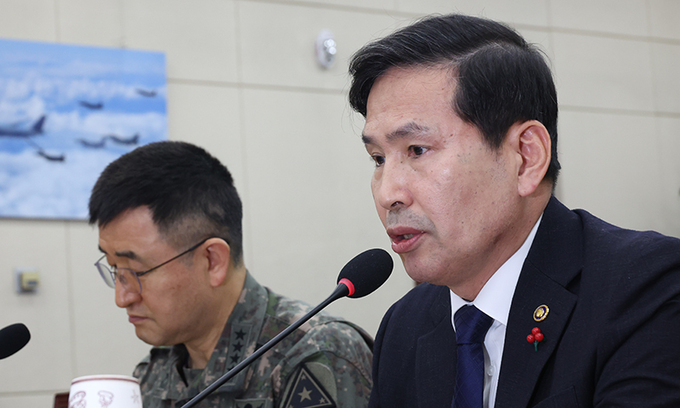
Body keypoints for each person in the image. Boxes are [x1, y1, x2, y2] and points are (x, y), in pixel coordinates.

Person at [348, 13, 680, 408]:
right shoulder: (404, 327)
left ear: (526, 158)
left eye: (417, 150)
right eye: (378, 158)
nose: (388, 194)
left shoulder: (646, 289)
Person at [88, 141, 373, 408]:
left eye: (136, 271)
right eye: (115, 269)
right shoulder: (153, 373)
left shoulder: (312, 353)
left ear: (212, 261)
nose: (122, 298)